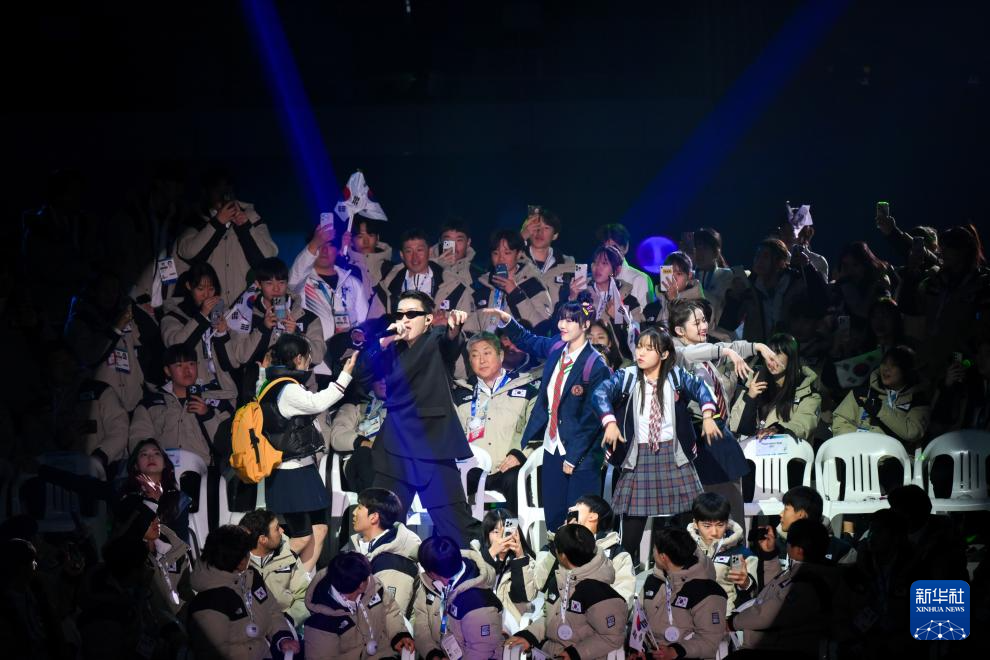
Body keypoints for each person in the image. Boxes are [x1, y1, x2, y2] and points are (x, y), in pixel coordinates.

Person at [356, 290, 479, 546]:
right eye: (400, 314)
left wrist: (455, 328)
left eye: (412, 314)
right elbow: (361, 373)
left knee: (456, 526)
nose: (405, 319)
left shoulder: (435, 340)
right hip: (395, 446)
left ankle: (478, 567)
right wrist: (383, 341)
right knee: (381, 526)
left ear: (428, 319)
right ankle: (381, 568)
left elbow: (450, 342)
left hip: (433, 444)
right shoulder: (391, 347)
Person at [593, 326, 721, 564]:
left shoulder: (676, 376)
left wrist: (707, 416)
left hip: (673, 454)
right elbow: (600, 394)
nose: (640, 353)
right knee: (632, 523)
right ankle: (623, 570)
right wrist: (609, 422)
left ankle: (693, 568)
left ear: (664, 354)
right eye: (639, 347)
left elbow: (701, 389)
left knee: (689, 520)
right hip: (639, 455)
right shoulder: (628, 376)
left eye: (648, 349)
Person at [482, 299, 612, 532]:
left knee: (580, 523)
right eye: (561, 319)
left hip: (580, 455)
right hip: (553, 447)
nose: (562, 325)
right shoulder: (556, 348)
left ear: (585, 325)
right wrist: (507, 321)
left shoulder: (595, 365)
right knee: (554, 518)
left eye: (570, 321)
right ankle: (554, 556)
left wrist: (573, 458)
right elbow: (528, 340)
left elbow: (591, 421)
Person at [670, 300, 781, 526]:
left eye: (704, 320)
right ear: (680, 330)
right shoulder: (677, 353)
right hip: (700, 433)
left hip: (717, 433)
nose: (704, 326)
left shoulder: (703, 352)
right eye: (697, 323)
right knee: (715, 502)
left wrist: (758, 346)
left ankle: (734, 541)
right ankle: (722, 541)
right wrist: (727, 350)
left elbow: (724, 348)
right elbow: (700, 352)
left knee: (730, 496)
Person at [257, 333, 357, 572]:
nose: (309, 364)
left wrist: (262, 371)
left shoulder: (274, 383)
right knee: (302, 536)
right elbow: (317, 403)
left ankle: (300, 585)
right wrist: (345, 375)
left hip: (303, 469)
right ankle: (269, 576)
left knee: (319, 529)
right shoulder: (286, 389)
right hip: (289, 472)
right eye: (309, 359)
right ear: (299, 358)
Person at [505, 524, 626, 660]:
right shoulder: (559, 579)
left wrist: (575, 654)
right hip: (550, 653)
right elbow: (550, 618)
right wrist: (529, 636)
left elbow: (612, 637)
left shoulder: (599, 591)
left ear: (562, 556)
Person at [452, 332, 540, 511]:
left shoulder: (527, 389)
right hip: (473, 469)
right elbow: (452, 436)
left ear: (500, 355)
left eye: (487, 353)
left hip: (509, 466)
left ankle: (517, 529)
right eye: (475, 355)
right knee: (448, 480)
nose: (481, 360)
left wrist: (520, 455)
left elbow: (536, 430)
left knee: (515, 479)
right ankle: (461, 530)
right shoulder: (460, 393)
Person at [728, 519, 837, 660]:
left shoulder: (807, 583)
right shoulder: (805, 573)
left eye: (788, 543)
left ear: (798, 550)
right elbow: (776, 589)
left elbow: (768, 614)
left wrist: (733, 622)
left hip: (779, 649)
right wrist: (769, 555)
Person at [219, 257, 327, 398]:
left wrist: (297, 335)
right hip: (259, 393)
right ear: (259, 284)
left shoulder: (307, 318)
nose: (276, 289)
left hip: (300, 392)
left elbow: (318, 357)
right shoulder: (245, 315)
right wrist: (263, 329)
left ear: (287, 283)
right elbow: (241, 357)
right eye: (269, 283)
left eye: (281, 283)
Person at [188, 525, 299, 659]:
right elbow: (215, 652)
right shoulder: (208, 602)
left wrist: (282, 638)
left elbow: (272, 611)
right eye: (248, 552)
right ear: (241, 561)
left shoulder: (251, 578)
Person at [832, 345, 930, 490]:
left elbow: (913, 432)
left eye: (893, 365)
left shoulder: (917, 398)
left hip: (897, 461)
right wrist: (859, 443)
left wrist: (880, 409)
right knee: (850, 467)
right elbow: (840, 421)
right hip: (861, 457)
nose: (886, 369)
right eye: (884, 363)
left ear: (905, 370)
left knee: (892, 470)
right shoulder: (862, 393)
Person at [175, 171, 279, 308]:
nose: (223, 195)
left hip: (245, 307)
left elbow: (267, 258)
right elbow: (188, 254)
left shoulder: (251, 216)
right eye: (217, 190)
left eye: (226, 189)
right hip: (210, 306)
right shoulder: (196, 219)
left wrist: (245, 226)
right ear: (207, 192)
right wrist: (217, 223)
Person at [129, 344, 234, 467]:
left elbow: (228, 444)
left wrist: (208, 416)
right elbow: (138, 442)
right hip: (163, 471)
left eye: (191, 364)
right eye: (179, 365)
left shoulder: (216, 401)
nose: (187, 370)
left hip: (203, 470)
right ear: (168, 371)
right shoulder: (150, 404)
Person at [63, 270, 154, 411]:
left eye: (114, 290)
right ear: (94, 291)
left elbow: (144, 340)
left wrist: (142, 310)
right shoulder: (79, 322)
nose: (110, 295)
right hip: (97, 402)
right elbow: (88, 357)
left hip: (131, 398)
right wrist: (115, 329)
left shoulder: (122, 315)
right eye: (105, 289)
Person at [633, 528, 726, 660]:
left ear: (663, 557)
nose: (653, 553)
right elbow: (639, 619)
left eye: (654, 549)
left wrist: (675, 651)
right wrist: (637, 648)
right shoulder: (652, 581)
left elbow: (709, 642)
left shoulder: (707, 591)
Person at [304, 551, 414, 659]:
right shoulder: (320, 621)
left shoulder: (373, 585)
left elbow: (389, 610)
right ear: (360, 586)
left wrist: (399, 635)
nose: (371, 579)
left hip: (384, 653)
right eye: (367, 578)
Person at [288, 224, 371, 364]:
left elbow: (364, 322)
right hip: (313, 361)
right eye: (320, 245)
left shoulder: (353, 282)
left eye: (330, 245)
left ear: (338, 249)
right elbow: (292, 280)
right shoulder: (302, 280)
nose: (325, 250)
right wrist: (315, 242)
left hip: (347, 362)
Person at [718, 238, 828, 343]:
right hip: (759, 352)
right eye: (757, 255)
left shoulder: (796, 284)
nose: (759, 260)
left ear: (780, 262)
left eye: (765, 256)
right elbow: (728, 325)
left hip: (790, 350)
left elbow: (822, 302)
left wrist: (807, 267)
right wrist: (735, 298)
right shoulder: (749, 288)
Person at [413, 535, 503, 660]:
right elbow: (421, 619)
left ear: (432, 572)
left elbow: (481, 653)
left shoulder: (478, 603)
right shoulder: (431, 582)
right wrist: (432, 653)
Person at [535, 495, 636, 606]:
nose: (570, 508)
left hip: (595, 614)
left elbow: (623, 599)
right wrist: (560, 543)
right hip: (556, 614)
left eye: (578, 505)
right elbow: (539, 584)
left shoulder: (617, 554)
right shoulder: (552, 546)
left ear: (592, 516)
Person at [160, 261, 238, 401]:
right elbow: (176, 347)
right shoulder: (172, 317)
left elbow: (235, 360)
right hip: (189, 390)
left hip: (223, 389)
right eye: (200, 289)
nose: (206, 295)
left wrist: (223, 334)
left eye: (211, 289)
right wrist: (202, 315)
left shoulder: (224, 313)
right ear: (189, 286)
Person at [342, 488, 422, 616]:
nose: (354, 512)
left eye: (359, 507)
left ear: (374, 517)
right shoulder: (365, 548)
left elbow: (389, 617)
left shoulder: (394, 563)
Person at [729, 333, 822, 443]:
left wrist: (778, 429)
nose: (771, 359)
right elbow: (737, 427)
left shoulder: (807, 393)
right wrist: (750, 397)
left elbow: (803, 425)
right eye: (768, 354)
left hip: (784, 449)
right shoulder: (755, 382)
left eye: (777, 353)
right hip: (753, 449)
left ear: (791, 357)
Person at [463, 229, 553, 334]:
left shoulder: (532, 284)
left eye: (507, 253)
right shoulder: (481, 284)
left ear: (519, 254)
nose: (501, 258)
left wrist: (515, 293)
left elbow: (541, 326)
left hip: (518, 343)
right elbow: (469, 325)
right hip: (487, 342)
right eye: (496, 253)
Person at [371, 229, 474, 319]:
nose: (415, 258)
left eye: (420, 250)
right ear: (402, 255)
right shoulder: (386, 287)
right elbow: (375, 323)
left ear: (429, 252)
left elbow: (467, 327)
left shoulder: (453, 285)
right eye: (409, 251)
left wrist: (446, 327)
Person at [686, 492, 757, 614]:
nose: (714, 532)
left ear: (727, 523)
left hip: (724, 617)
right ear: (695, 524)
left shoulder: (736, 554)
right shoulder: (684, 549)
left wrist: (746, 583)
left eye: (720, 525)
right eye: (707, 526)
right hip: (688, 616)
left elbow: (749, 595)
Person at [240, 508, 311, 627]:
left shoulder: (288, 555)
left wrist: (289, 620)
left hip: (285, 624)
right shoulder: (234, 561)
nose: (282, 531)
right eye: (277, 528)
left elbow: (305, 596)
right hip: (246, 628)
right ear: (263, 539)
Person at [480, 508, 538, 629]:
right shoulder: (477, 556)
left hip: (510, 625)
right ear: (487, 535)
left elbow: (523, 597)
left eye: (506, 531)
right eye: (496, 532)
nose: (501, 537)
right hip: (481, 621)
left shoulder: (526, 561)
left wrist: (519, 557)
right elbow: (475, 584)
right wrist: (492, 553)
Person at [570, 244, 644, 331]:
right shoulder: (582, 296)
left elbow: (637, 335)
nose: (598, 267)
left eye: (604, 263)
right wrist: (573, 298)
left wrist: (619, 319)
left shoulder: (629, 301)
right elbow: (568, 326)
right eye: (595, 262)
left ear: (617, 270)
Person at [519, 204, 577, 310]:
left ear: (555, 235)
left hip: (556, 319)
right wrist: (521, 236)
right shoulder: (516, 259)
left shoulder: (568, 264)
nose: (540, 232)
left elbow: (580, 304)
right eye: (537, 227)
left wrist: (573, 298)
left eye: (546, 228)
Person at [642, 251, 705, 331]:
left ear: (689, 276)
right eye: (669, 273)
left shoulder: (699, 302)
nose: (673, 279)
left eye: (679, 274)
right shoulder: (656, 304)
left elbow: (688, 329)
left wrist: (674, 300)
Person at [598, 222, 656, 305]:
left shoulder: (640, 280)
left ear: (626, 247)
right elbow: (586, 310)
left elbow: (647, 313)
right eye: (605, 248)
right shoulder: (593, 280)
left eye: (614, 247)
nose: (608, 253)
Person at [691, 228, 734, 330]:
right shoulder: (689, 275)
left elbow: (717, 305)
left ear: (716, 252)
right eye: (697, 247)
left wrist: (693, 287)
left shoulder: (726, 275)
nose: (699, 252)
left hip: (717, 333)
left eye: (705, 248)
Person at [342, 214, 393, 291]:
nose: (366, 241)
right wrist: (341, 255)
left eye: (370, 235)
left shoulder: (391, 268)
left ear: (377, 238)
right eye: (360, 236)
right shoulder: (344, 267)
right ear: (351, 240)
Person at [429, 219, 485, 287]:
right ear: (440, 241)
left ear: (468, 242)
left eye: (459, 240)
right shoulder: (425, 266)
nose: (454, 247)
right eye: (448, 241)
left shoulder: (478, 276)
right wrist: (435, 266)